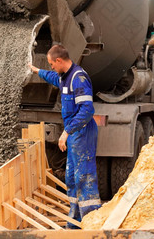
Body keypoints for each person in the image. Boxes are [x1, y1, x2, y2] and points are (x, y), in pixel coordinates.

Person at [29, 44, 101, 227]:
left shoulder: (79, 78)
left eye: (52, 63)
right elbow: (52, 76)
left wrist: (66, 132)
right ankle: (75, 220)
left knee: (83, 176)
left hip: (82, 131)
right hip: (74, 133)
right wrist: (36, 70)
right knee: (71, 176)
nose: (51, 66)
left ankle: (90, 220)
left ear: (59, 61)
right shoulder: (63, 77)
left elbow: (87, 110)